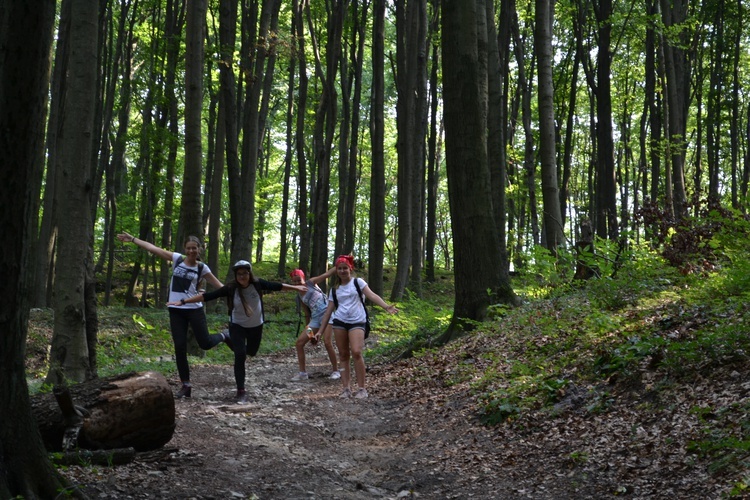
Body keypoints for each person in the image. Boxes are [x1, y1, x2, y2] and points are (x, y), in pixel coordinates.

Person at [169, 260, 305, 404]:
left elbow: (279, 286)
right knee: (240, 355)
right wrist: (184, 301)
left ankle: (227, 337)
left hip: (256, 326)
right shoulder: (230, 288)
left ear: (249, 273)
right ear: (236, 275)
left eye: (245, 273)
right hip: (237, 326)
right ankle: (241, 391)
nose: (242, 276)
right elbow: (207, 296)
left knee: (251, 352)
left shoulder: (258, 284)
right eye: (239, 274)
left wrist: (297, 288)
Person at [116, 232, 231, 399]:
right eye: (189, 248)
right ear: (185, 249)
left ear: (199, 250)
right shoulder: (177, 259)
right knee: (179, 346)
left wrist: (237, 294)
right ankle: (186, 384)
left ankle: (224, 335)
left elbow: (220, 286)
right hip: (176, 310)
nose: (192, 251)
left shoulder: (201, 268)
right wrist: (133, 239)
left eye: (194, 248)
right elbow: (153, 248)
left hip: (194, 309)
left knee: (205, 343)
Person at [319, 255, 398, 399]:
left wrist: (386, 307)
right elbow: (328, 312)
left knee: (356, 352)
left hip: (357, 321)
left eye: (345, 268)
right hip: (340, 322)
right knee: (343, 355)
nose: (342, 271)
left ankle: (362, 388)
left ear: (350, 268)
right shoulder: (334, 289)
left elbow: (372, 295)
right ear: (336, 271)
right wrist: (320, 331)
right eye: (339, 268)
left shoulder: (358, 282)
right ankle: (346, 388)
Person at [290, 267, 340, 381]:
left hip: (327, 314)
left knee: (327, 342)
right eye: (295, 281)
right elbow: (307, 314)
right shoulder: (299, 296)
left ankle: (336, 371)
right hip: (315, 319)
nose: (298, 283)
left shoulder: (311, 283)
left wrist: (338, 265)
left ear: (304, 279)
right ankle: (302, 373)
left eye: (299, 280)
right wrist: (311, 334)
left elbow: (327, 274)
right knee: (299, 343)